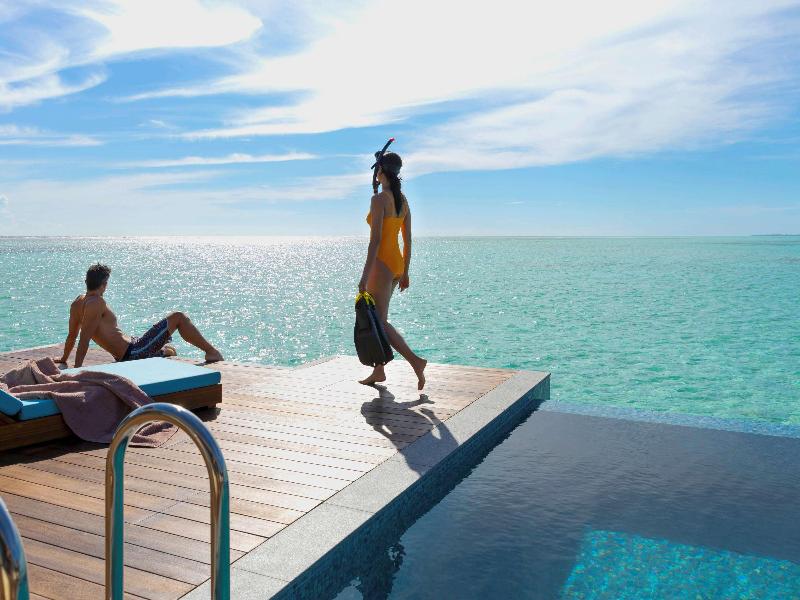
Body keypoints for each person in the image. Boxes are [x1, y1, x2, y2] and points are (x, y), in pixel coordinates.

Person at [56, 263, 223, 368]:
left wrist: (64, 358)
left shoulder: (77, 303)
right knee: (178, 317)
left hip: (131, 348)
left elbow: (72, 336)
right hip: (134, 353)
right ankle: (211, 352)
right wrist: (77, 370)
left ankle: (163, 351)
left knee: (167, 346)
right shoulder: (97, 303)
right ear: (104, 284)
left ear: (86, 282)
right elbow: (84, 339)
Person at [358, 151, 427, 389]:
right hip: (396, 264)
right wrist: (405, 271)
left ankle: (416, 362)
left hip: (381, 264)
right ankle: (379, 370)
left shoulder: (379, 200)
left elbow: (375, 241)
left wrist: (364, 276)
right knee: (379, 320)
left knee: (379, 321)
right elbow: (407, 240)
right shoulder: (402, 200)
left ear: (381, 171)